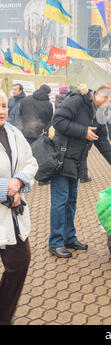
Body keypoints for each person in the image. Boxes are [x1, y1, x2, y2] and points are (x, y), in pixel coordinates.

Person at [48, 84, 111, 258]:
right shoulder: (77, 101)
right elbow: (58, 121)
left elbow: (102, 139)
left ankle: (69, 238)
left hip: (76, 161)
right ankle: (55, 243)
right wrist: (83, 131)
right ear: (101, 96)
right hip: (61, 159)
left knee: (71, 201)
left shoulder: (99, 111)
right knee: (59, 202)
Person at [0, 89, 38, 325]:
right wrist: (5, 188)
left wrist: (20, 180)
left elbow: (30, 161)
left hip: (11, 216)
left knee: (20, 261)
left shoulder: (13, 133)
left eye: (3, 106)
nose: (1, 111)